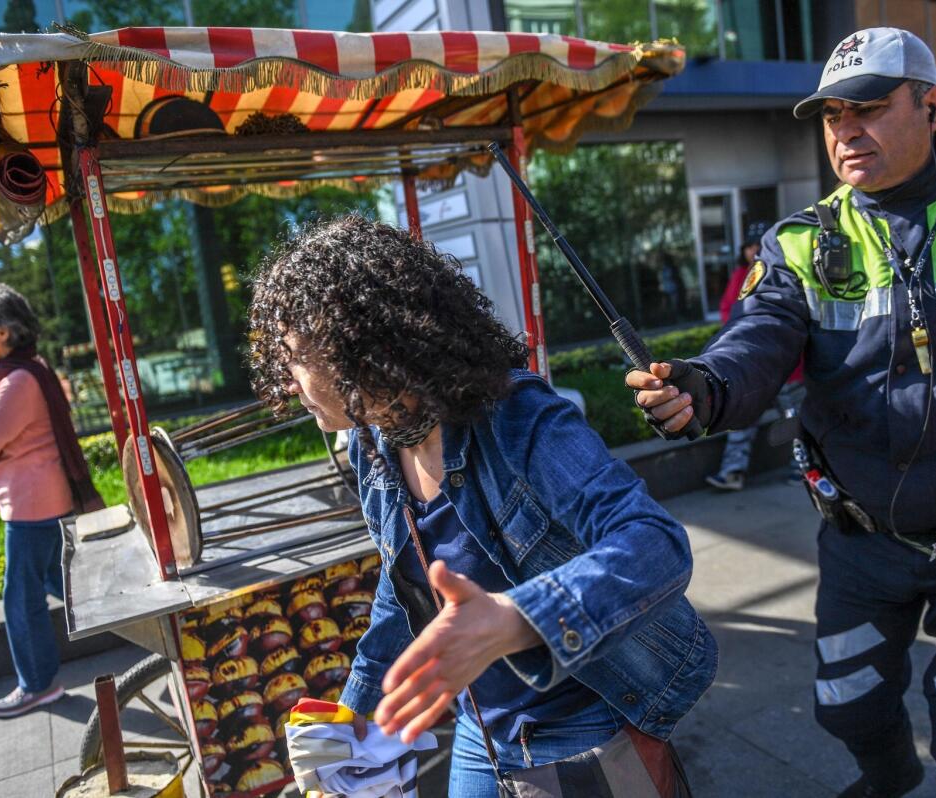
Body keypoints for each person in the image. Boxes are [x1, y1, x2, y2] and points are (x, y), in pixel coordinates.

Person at [626, 27, 936, 797]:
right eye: (832, 116)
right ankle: (887, 778)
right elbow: (754, 343)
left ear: (933, 107)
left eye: (867, 108)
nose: (847, 131)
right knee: (847, 711)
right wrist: (699, 386)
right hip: (865, 546)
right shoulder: (800, 243)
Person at [248, 215, 716, 796]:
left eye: (293, 355)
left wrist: (518, 619)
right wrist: (349, 720)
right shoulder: (372, 440)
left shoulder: (518, 418)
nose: (289, 383)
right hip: (481, 732)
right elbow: (405, 587)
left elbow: (656, 545)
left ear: (359, 346)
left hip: (585, 722)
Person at [0, 283, 104, 718]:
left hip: (31, 508)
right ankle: (146, 631)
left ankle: (37, 685)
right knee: (62, 585)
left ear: (2, 331)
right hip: (39, 501)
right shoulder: (23, 370)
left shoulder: (18, 381)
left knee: (21, 601)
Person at [706, 240, 804, 490]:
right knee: (740, 419)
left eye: (758, 245)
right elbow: (730, 312)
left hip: (787, 368)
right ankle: (732, 472)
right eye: (749, 246)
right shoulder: (741, 275)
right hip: (751, 369)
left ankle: (804, 468)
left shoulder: (786, 270)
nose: (755, 251)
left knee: (794, 418)